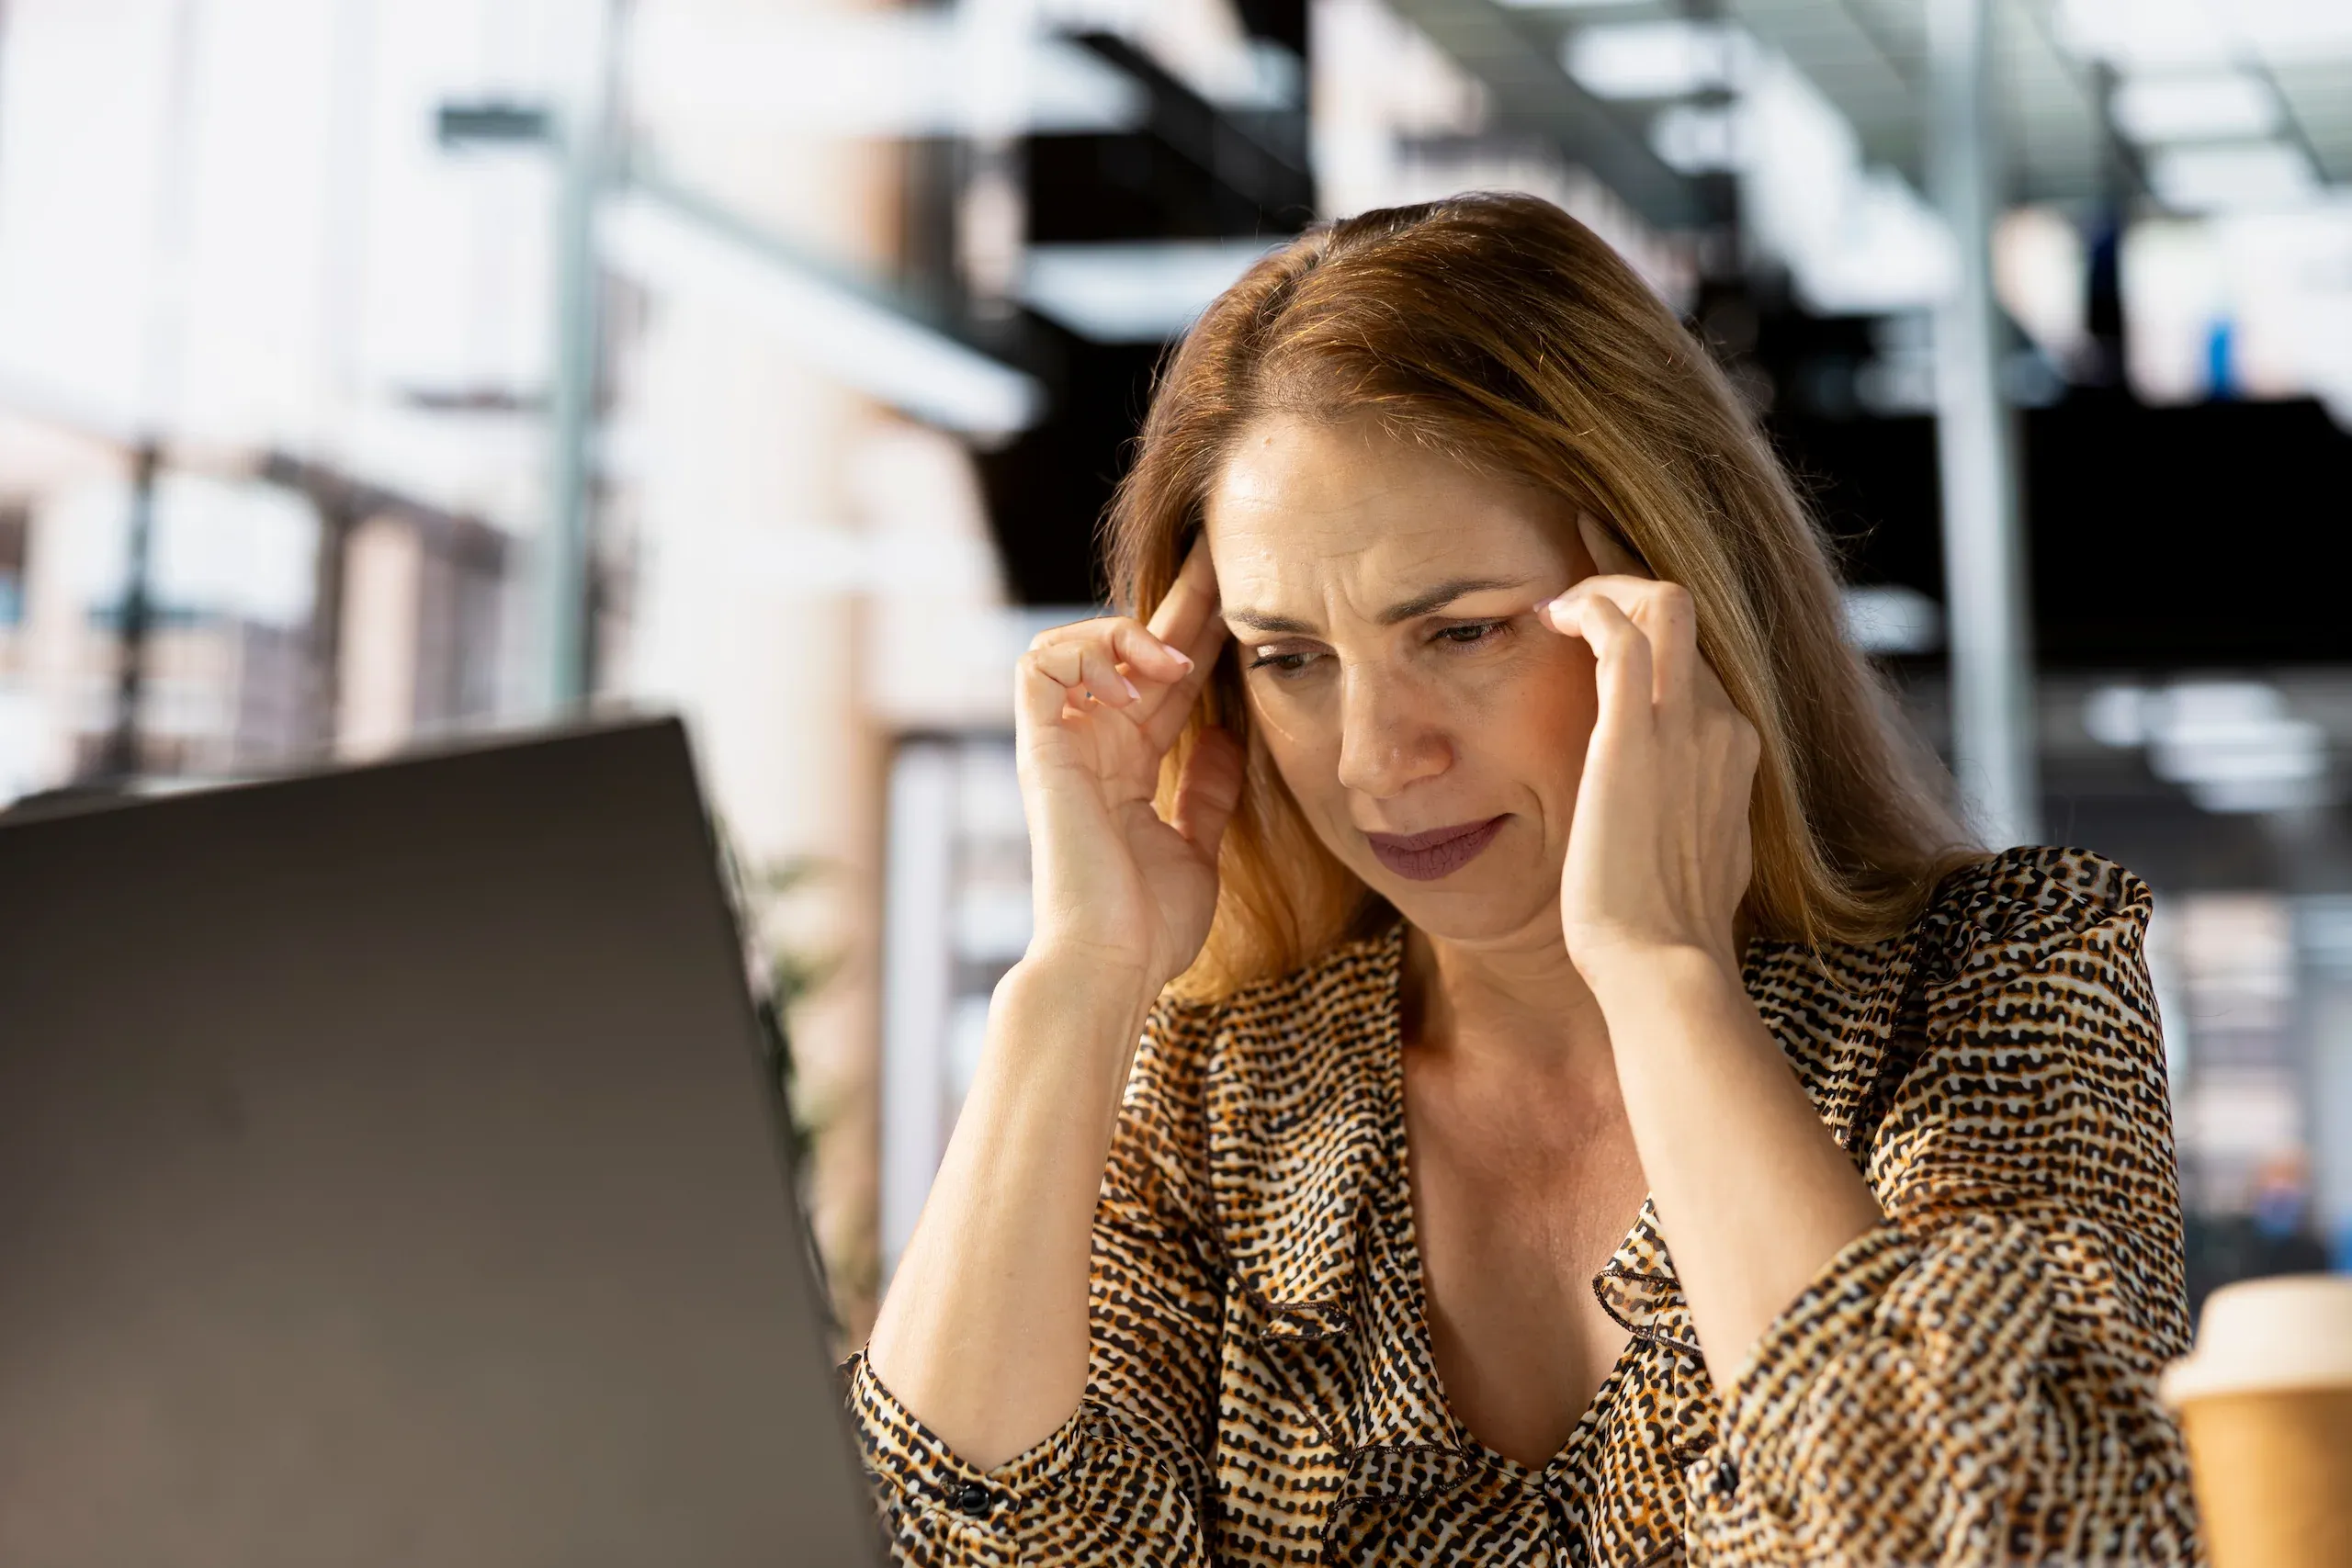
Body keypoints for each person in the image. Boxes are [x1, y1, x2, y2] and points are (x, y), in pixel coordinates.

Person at [852, 195, 2201, 1565]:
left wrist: (1669, 983)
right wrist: (1077, 978)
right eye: (1289, 657)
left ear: (1669, 600)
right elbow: (952, 1545)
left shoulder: (2005, 978)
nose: (1378, 758)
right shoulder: (1223, 1094)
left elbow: (2025, 1539)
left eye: (1461, 630)